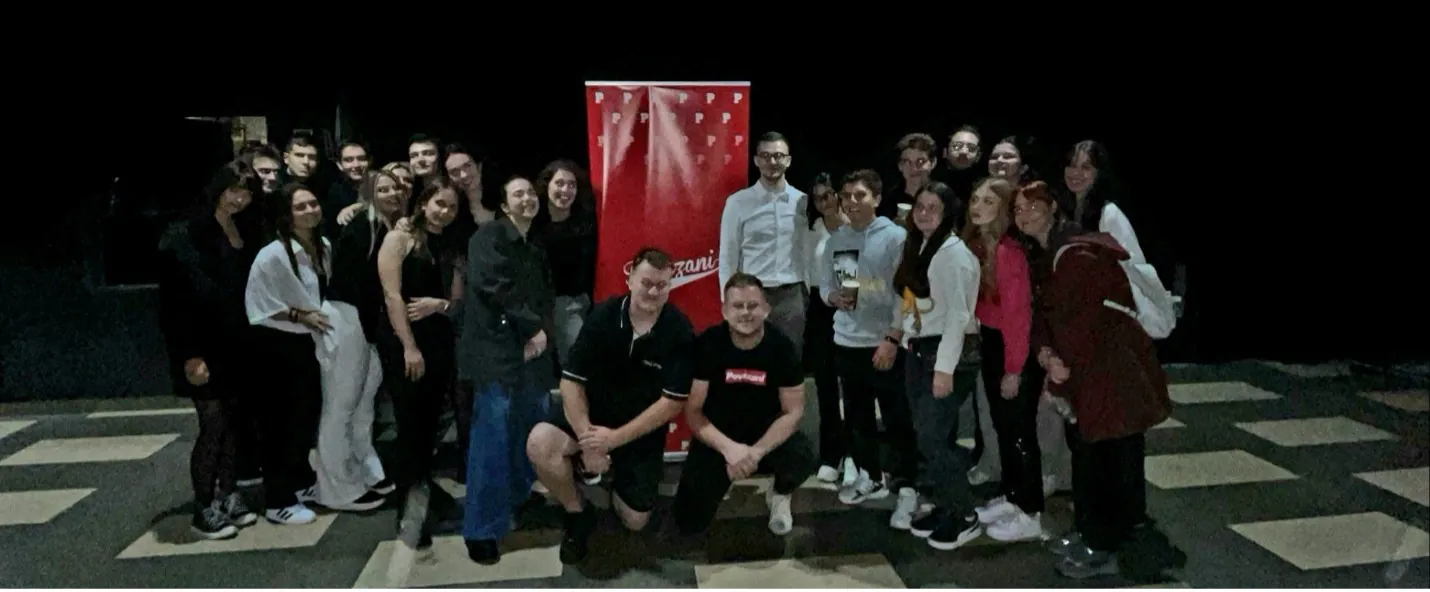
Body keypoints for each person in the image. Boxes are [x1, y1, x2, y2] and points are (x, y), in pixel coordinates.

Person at [1015, 181, 1171, 579]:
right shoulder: (1050, 253)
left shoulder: (1076, 253)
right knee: (1093, 457)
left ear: (1053, 208)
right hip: (1092, 373)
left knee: (1105, 460)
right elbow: (1047, 319)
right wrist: (1047, 355)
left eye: (1033, 206)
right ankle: (1093, 533)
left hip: (1109, 373)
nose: (1024, 214)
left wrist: (1057, 373)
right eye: (1017, 209)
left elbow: (1082, 326)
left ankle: (1103, 546)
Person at [525, 247, 696, 565]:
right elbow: (571, 382)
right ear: (630, 278)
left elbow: (672, 403)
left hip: (638, 432)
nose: (653, 292)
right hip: (591, 420)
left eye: (662, 285)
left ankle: (607, 476)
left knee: (635, 521)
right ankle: (577, 510)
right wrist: (589, 440)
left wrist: (613, 442)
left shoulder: (680, 330)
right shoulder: (603, 316)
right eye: (647, 283)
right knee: (540, 442)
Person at [156, 162, 263, 538]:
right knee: (212, 425)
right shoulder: (186, 233)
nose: (239, 199)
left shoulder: (246, 227)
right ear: (218, 188)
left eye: (246, 192)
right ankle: (203, 506)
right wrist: (190, 355)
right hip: (201, 344)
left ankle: (228, 493)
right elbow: (174, 303)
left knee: (234, 423)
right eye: (234, 190)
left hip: (237, 342)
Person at [673, 273, 817, 537]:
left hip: (766, 436)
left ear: (766, 309)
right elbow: (693, 412)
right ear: (724, 311)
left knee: (803, 455)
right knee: (687, 522)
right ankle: (723, 479)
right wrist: (730, 450)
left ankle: (780, 494)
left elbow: (793, 412)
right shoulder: (707, 344)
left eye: (753, 305)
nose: (746, 313)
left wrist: (755, 454)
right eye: (738, 306)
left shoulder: (783, 348)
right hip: (719, 437)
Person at [458, 176, 555, 564]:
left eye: (531, 193)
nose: (528, 198)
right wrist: (531, 329)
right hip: (495, 354)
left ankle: (517, 496)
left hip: (529, 353)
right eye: (519, 194)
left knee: (525, 427)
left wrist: (539, 335)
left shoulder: (534, 245)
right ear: (503, 204)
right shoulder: (489, 236)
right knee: (491, 440)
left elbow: (542, 297)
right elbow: (493, 287)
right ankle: (481, 530)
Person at [889, 181, 983, 550]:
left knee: (932, 437)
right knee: (931, 435)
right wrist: (899, 336)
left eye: (933, 208)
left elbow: (958, 315)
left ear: (947, 214)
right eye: (920, 206)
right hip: (920, 351)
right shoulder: (920, 246)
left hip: (946, 355)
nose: (924, 213)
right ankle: (946, 506)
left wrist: (944, 368)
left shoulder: (953, 255)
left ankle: (964, 514)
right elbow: (911, 300)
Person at [820, 169, 917, 507]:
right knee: (857, 417)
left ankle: (905, 483)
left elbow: (906, 293)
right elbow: (826, 285)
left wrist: (892, 337)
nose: (852, 202)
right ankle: (869, 475)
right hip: (847, 341)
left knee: (896, 416)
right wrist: (833, 297)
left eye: (859, 195)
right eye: (846, 196)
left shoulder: (895, 237)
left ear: (876, 199)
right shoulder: (837, 239)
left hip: (884, 342)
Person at [376, 183, 460, 548]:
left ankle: (424, 494)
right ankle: (408, 514)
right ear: (424, 203)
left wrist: (439, 305)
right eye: (440, 203)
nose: (445, 212)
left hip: (439, 341)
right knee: (410, 425)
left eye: (452, 207)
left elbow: (456, 301)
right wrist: (409, 346)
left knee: (428, 427)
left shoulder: (450, 245)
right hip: (405, 342)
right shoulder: (399, 239)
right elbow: (392, 295)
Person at [963, 177, 1046, 542]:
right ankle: (1013, 496)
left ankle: (1030, 511)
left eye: (988, 202)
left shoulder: (1009, 253)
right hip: (993, 342)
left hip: (1013, 348)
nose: (977, 207)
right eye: (975, 199)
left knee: (1019, 432)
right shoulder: (983, 247)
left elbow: (1018, 317)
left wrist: (1014, 369)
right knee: (1004, 428)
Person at [243, 183, 329, 525]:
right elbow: (259, 304)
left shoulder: (322, 246)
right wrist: (299, 316)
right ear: (286, 214)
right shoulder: (272, 254)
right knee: (280, 423)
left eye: (313, 203)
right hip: (277, 345)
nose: (310, 210)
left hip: (308, 344)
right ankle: (277, 499)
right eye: (300, 206)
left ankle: (301, 481)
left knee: (303, 419)